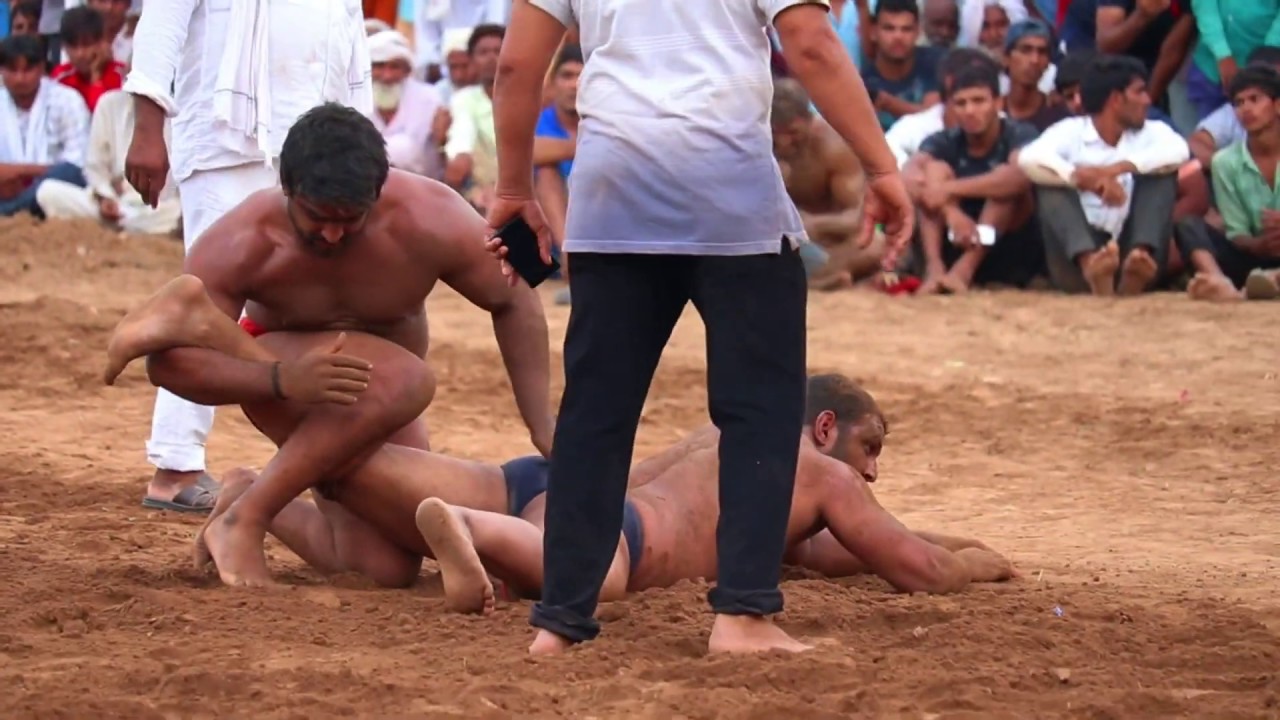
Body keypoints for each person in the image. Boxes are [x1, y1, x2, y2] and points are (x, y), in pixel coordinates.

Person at [484, 0, 913, 656]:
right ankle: (743, 614)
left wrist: (514, 188)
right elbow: (811, 43)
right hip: (731, 196)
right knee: (761, 412)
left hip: (612, 195)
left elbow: (516, 67)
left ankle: (560, 621)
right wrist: (881, 168)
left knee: (595, 414)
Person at [102, 103, 553, 587]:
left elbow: (515, 298)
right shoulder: (243, 240)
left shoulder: (431, 213)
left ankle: (248, 493)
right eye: (317, 217)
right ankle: (246, 517)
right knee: (410, 378)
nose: (333, 234)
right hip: (287, 379)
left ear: (377, 193)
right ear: (288, 188)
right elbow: (167, 367)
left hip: (382, 404)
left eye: (350, 219)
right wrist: (278, 378)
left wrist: (541, 424)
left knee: (384, 566)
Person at [415, 374, 1018, 615]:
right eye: (870, 447)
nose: (872, 472)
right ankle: (469, 525)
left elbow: (833, 552)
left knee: (562, 552)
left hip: (572, 499)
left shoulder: (729, 435)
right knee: (598, 579)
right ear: (825, 427)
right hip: (628, 537)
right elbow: (920, 571)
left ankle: (486, 540)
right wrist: (970, 565)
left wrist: (952, 539)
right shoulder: (820, 474)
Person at [122, 0, 373, 513]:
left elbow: (351, 51)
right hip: (224, 144)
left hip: (313, 154)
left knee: (321, 305)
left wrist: (363, 148)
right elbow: (162, 22)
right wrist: (149, 128)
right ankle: (176, 465)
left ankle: (332, 461)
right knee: (205, 306)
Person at [1018, 54, 1188, 296]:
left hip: (1133, 254)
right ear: (1116, 99)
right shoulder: (1069, 131)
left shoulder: (1154, 132)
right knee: (1049, 180)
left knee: (1161, 174)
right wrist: (1080, 178)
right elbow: (1028, 159)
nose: (1148, 100)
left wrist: (1114, 170)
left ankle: (1138, 260)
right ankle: (1091, 265)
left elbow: (1179, 151)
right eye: (1140, 92)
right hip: (1075, 266)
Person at [909, 64, 1042, 293]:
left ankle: (964, 270)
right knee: (934, 171)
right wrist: (951, 212)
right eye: (961, 103)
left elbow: (1020, 177)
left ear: (998, 103)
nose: (970, 110)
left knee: (1003, 181)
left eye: (979, 101)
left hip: (1007, 245)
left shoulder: (1019, 133)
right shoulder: (942, 140)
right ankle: (934, 268)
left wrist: (948, 190)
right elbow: (909, 177)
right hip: (952, 239)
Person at [1175, 65, 1280, 302]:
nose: (1246, 109)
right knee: (1188, 226)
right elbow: (1237, 233)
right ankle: (1220, 283)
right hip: (1253, 257)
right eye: (1238, 103)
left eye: (1255, 99)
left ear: (1277, 105)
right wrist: (1259, 245)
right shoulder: (1224, 162)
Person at [771, 78, 881, 290]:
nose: (784, 143)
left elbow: (855, 217)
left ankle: (817, 279)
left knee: (875, 245)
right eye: (776, 134)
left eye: (793, 133)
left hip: (825, 242)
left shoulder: (833, 147)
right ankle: (819, 281)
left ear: (808, 121)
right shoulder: (754, 144)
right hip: (771, 242)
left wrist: (814, 224)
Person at [35, 86, 182, 234]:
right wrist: (105, 197)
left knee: (175, 213)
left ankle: (124, 226)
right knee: (48, 192)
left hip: (159, 208)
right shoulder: (109, 103)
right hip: (116, 203)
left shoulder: (180, 108)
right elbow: (95, 168)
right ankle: (127, 225)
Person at [0, 34, 89, 218]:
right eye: (12, 70)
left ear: (41, 68)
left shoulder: (67, 100)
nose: (20, 78)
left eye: (27, 70)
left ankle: (12, 212)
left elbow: (78, 164)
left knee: (64, 176)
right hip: (4, 192)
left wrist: (20, 172)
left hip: (52, 191)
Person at [366, 29, 447, 179]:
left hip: (423, 184)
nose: (387, 76)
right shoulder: (355, 100)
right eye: (380, 66)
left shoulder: (429, 99)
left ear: (407, 70)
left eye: (394, 67)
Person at [443, 23, 504, 212]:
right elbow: (462, 135)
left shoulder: (529, 96)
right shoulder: (464, 99)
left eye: (498, 51)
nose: (491, 58)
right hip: (479, 185)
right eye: (483, 52)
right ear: (472, 60)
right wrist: (461, 156)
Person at [862, 0, 942, 130]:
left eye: (906, 29)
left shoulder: (935, 62)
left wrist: (888, 103)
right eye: (889, 28)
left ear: (918, 31)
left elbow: (933, 119)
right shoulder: (862, 83)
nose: (898, 36)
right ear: (873, 31)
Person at [51, 6, 125, 112]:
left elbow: (101, 117)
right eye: (73, 46)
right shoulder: (61, 76)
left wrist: (96, 77)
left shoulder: (121, 75)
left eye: (86, 45)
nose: (80, 54)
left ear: (102, 42)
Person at [1001, 19, 1070, 132]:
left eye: (1042, 52)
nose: (1035, 60)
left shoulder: (1060, 119)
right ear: (1006, 58)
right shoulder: (991, 113)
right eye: (1025, 50)